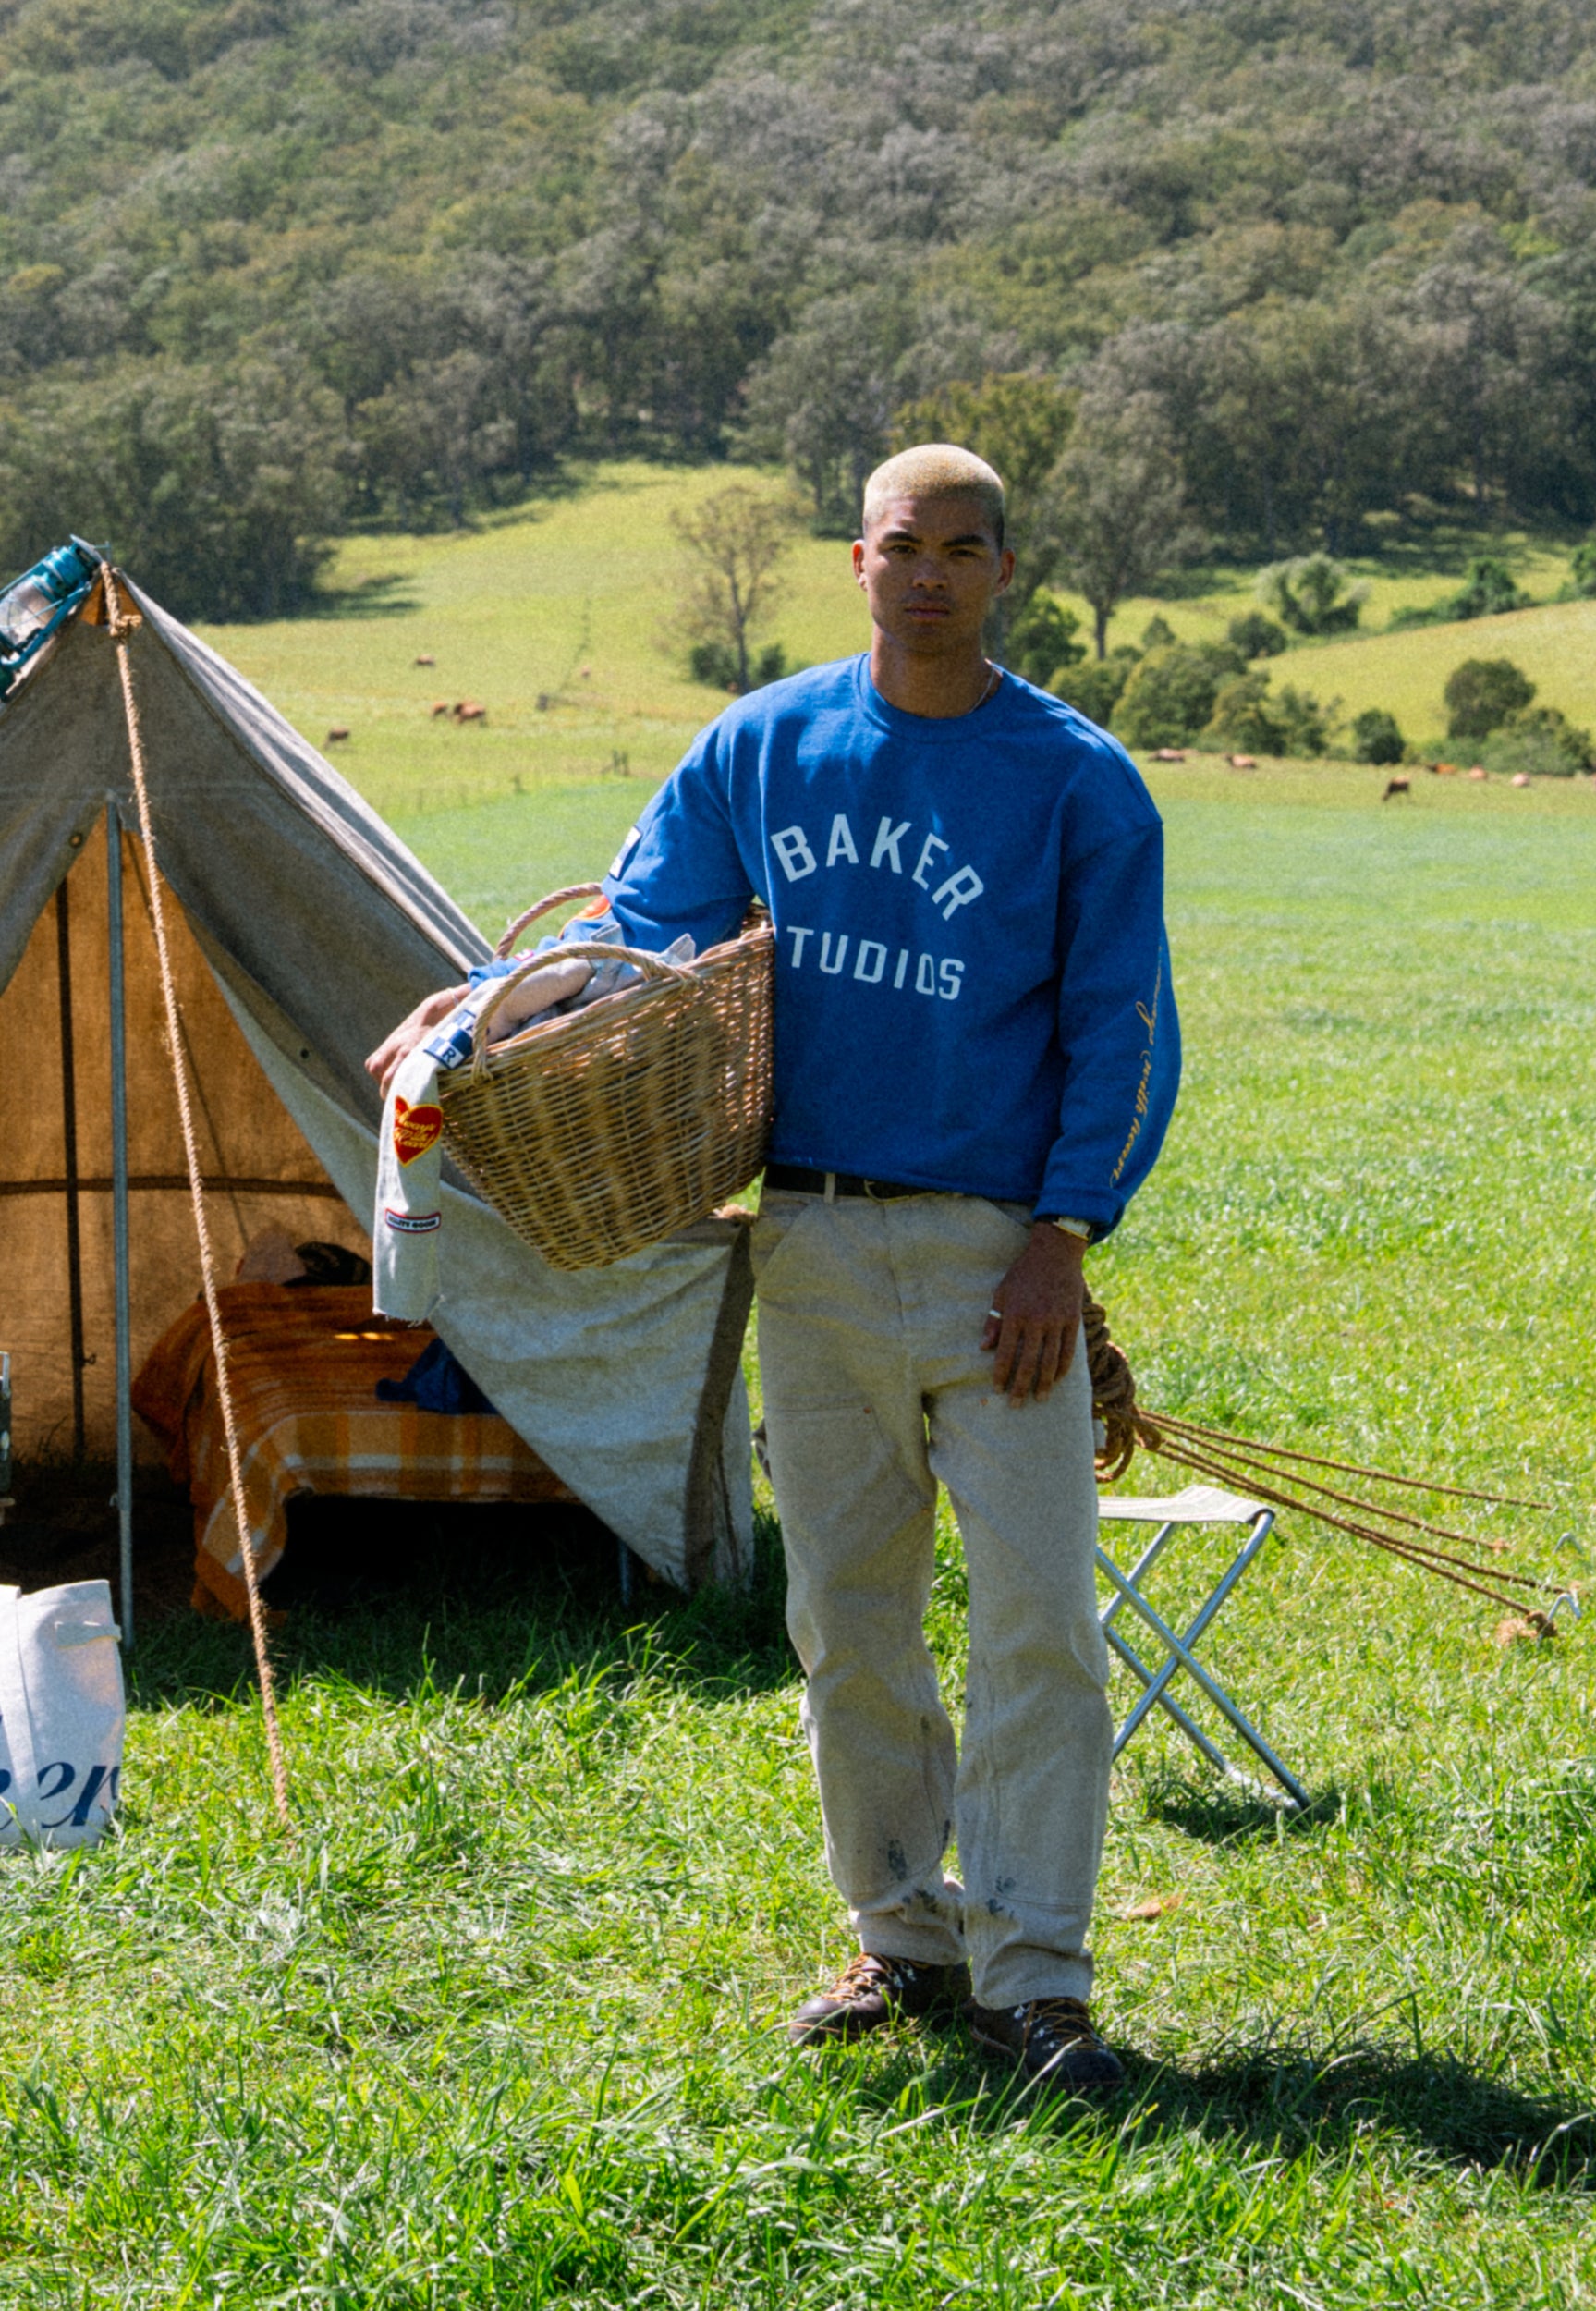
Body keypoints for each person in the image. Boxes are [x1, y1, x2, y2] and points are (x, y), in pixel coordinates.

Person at [367, 444, 1180, 2092]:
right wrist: (473, 1019)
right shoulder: (767, 742)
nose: (931, 573)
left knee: (1037, 1624)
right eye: (903, 545)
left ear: (1004, 570)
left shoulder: (1078, 780)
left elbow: (1123, 1029)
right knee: (847, 1616)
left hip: (990, 1259)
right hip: (806, 1236)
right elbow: (639, 937)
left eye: (964, 548)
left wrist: (1062, 1240)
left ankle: (1041, 1980)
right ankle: (903, 1942)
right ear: (858, 563)